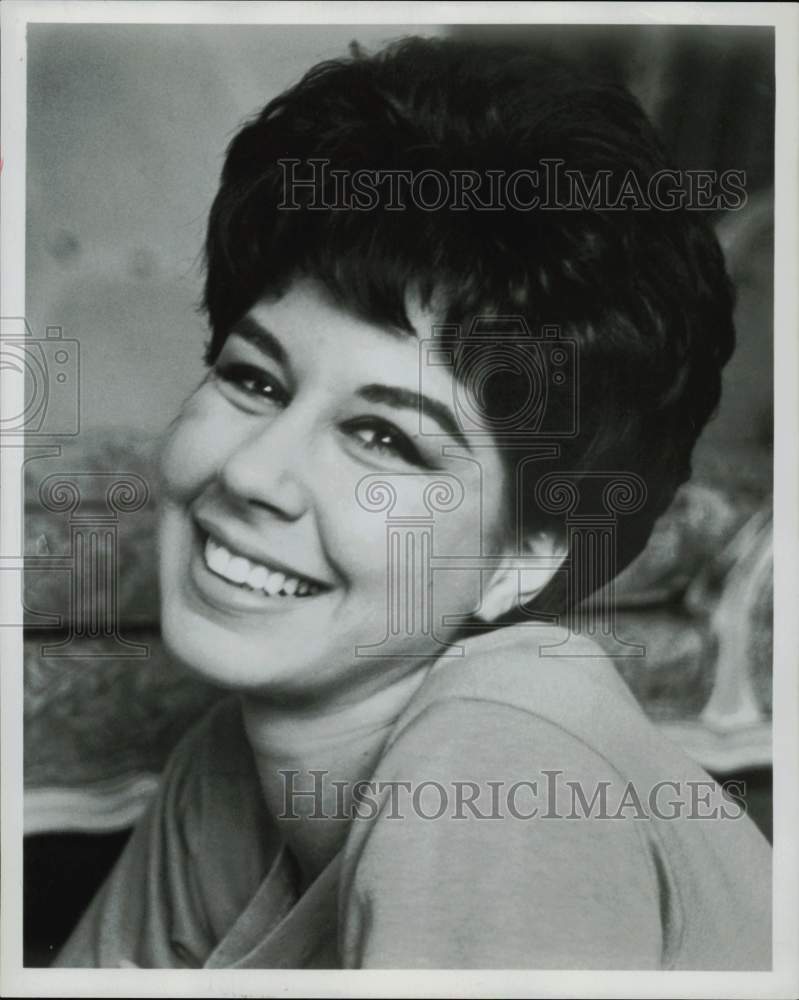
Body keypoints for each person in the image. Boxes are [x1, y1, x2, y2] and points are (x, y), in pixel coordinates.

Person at [55, 36, 771, 970]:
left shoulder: (502, 762)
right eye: (256, 381)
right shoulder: (226, 767)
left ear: (527, 556)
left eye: (386, 439)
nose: (253, 474)